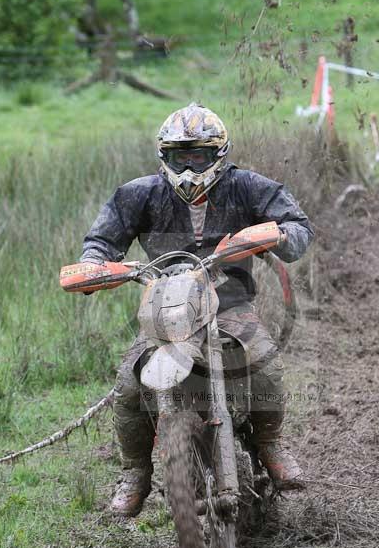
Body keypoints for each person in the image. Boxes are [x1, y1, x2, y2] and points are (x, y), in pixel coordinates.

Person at [81, 103, 314, 517]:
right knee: (130, 383)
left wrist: (275, 234)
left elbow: (298, 226)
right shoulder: (139, 194)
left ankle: (270, 443)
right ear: (163, 157)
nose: (188, 166)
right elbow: (100, 242)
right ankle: (136, 471)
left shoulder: (247, 187)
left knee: (263, 363)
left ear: (218, 155)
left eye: (198, 156)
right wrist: (95, 265)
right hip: (166, 309)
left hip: (230, 305)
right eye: (178, 156)